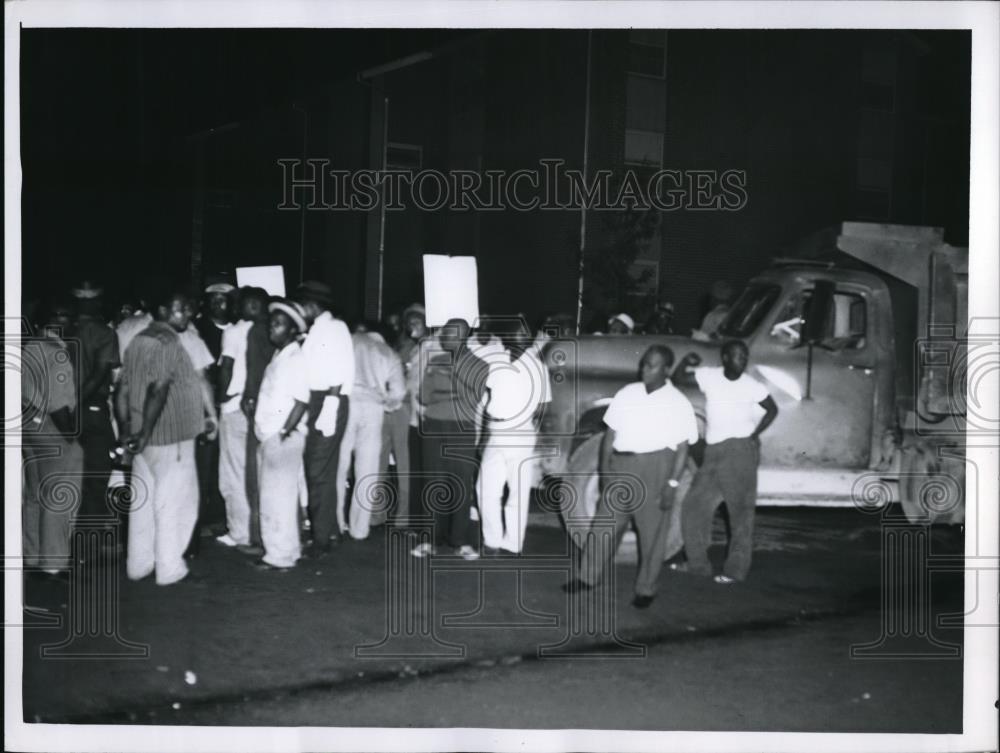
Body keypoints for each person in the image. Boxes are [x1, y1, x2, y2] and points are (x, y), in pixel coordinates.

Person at [563, 345, 698, 608]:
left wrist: (672, 484)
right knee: (604, 527)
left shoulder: (678, 402)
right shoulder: (627, 393)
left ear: (666, 369)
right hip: (621, 465)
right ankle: (588, 577)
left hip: (655, 468)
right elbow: (609, 435)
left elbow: (683, 448)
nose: (645, 369)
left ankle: (646, 588)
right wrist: (604, 470)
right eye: (644, 363)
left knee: (652, 534)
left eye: (652, 365)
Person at [115, 289, 217, 585]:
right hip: (170, 436)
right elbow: (159, 389)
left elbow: (122, 390)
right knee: (175, 502)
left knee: (143, 502)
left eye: (188, 309)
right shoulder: (170, 341)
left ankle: (139, 563)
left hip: (142, 439)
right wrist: (146, 432)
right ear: (162, 310)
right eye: (180, 309)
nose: (187, 314)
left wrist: (127, 432)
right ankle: (170, 569)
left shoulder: (139, 340)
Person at [678, 340, 778, 583]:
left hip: (739, 450)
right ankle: (697, 564)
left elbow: (772, 409)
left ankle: (735, 571)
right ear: (724, 357)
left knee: (740, 514)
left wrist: (754, 435)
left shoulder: (751, 385)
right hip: (713, 452)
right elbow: (679, 377)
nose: (742, 360)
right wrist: (685, 362)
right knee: (694, 507)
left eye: (745, 356)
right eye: (737, 355)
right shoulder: (710, 376)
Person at [411, 318, 488, 560]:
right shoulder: (435, 361)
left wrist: (443, 389)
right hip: (433, 426)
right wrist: (451, 392)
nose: (442, 337)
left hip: (461, 428)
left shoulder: (479, 365)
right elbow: (423, 396)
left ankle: (460, 541)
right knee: (432, 481)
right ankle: (429, 540)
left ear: (462, 336)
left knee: (460, 484)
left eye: (448, 333)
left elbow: (472, 399)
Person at [477, 320, 551, 555]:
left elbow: (542, 406)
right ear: (508, 337)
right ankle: (492, 540)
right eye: (517, 332)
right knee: (485, 488)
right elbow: (490, 399)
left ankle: (513, 542)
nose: (523, 335)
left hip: (521, 431)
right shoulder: (496, 361)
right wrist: (484, 436)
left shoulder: (537, 366)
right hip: (496, 431)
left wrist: (533, 433)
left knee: (518, 490)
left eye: (525, 333)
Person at [22, 300, 84, 577]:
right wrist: (72, 436)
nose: (73, 323)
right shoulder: (57, 354)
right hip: (52, 429)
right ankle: (54, 563)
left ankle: (32, 555)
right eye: (68, 317)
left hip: (29, 428)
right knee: (59, 497)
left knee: (35, 494)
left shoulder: (29, 347)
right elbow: (59, 405)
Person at [296, 280, 354, 558]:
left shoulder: (334, 328)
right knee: (323, 471)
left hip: (329, 399)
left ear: (312, 305)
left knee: (318, 471)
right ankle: (329, 531)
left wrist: (330, 405)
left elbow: (340, 369)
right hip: (318, 399)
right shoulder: (316, 330)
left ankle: (321, 540)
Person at [252, 300, 310, 570]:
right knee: (274, 498)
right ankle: (283, 551)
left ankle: (281, 556)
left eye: (278, 324)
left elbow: (301, 401)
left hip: (282, 437)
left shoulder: (296, 359)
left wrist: (285, 431)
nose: (271, 330)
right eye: (271, 324)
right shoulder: (281, 356)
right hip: (271, 436)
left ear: (292, 330)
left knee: (279, 500)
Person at [337, 321, 406, 540]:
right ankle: (360, 529)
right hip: (373, 409)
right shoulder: (389, 353)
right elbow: (398, 392)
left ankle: (337, 524)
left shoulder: (350, 339)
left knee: (340, 466)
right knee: (368, 471)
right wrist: (386, 403)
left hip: (347, 403)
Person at [215, 287, 266, 550]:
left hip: (235, 408)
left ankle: (240, 532)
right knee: (257, 473)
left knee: (233, 473)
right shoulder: (269, 331)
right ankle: (259, 531)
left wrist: (221, 398)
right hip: (261, 410)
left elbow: (227, 367)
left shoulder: (233, 332)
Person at [70, 281, 121, 525]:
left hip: (60, 409)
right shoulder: (105, 333)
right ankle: (90, 539)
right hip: (91, 408)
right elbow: (100, 373)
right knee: (96, 474)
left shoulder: (64, 328)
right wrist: (77, 401)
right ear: (96, 301)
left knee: (70, 474)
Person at [192, 282, 233, 538]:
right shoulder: (199, 330)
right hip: (206, 405)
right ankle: (200, 518)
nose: (219, 305)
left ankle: (219, 516)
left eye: (224, 300)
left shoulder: (240, 329)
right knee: (204, 464)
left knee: (224, 465)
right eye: (214, 300)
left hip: (231, 406)